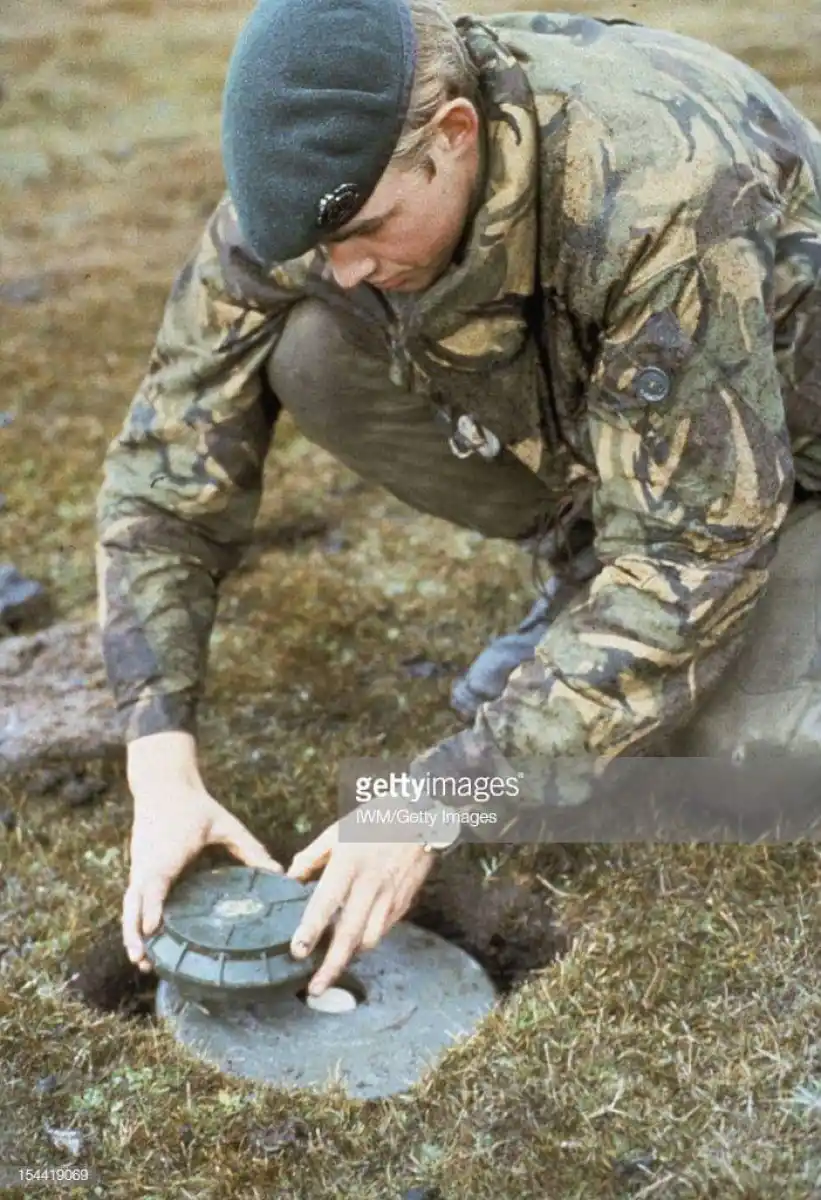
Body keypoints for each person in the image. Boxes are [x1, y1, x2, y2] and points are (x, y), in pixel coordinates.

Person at [96, 0, 821, 998]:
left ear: (453, 136)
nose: (343, 268)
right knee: (306, 347)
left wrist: (437, 795)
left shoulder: (655, 191)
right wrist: (159, 758)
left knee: (766, 765)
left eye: (365, 231)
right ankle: (584, 574)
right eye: (322, 245)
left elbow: (692, 560)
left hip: (787, 460)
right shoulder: (316, 201)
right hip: (637, 449)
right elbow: (162, 469)